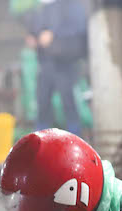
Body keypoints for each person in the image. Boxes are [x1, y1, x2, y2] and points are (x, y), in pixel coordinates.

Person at [26, 0, 88, 135]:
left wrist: (54, 34)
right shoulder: (40, 8)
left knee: (69, 103)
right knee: (43, 104)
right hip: (45, 63)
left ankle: (75, 139)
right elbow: (34, 29)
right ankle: (39, 143)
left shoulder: (71, 5)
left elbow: (80, 28)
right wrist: (33, 38)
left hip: (65, 64)